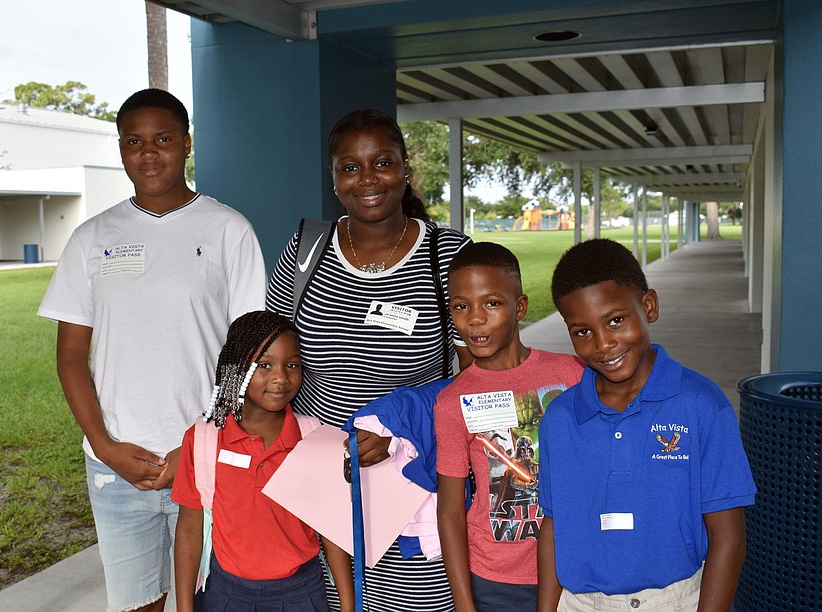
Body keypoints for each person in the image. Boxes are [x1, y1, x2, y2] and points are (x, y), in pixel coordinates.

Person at [37, 88, 266, 612]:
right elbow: (72, 354)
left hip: (208, 457)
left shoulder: (228, 228)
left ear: (186, 143)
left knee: (213, 599)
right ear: (120, 149)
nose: (148, 153)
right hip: (117, 464)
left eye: (163, 139)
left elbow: (247, 350)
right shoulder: (92, 237)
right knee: (138, 604)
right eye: (133, 141)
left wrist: (202, 443)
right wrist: (105, 444)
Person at [266, 108, 471, 611]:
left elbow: (481, 380)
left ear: (405, 169)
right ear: (333, 177)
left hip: (412, 483)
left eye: (382, 162)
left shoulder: (449, 256)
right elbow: (270, 352)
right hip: (317, 487)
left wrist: (399, 431)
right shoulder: (306, 249)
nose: (367, 179)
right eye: (349, 167)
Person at [538, 238, 756, 612]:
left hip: (676, 600)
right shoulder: (559, 419)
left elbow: (728, 536)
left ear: (649, 306)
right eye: (582, 331)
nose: (603, 343)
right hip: (579, 602)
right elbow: (553, 528)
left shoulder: (702, 405)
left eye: (615, 320)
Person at [434, 242, 585, 611]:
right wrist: (464, 604)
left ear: (520, 307)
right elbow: (451, 511)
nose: (474, 319)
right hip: (496, 581)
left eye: (491, 303)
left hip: (574, 564)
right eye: (460, 306)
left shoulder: (572, 374)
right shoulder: (452, 401)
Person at [172, 311, 351, 612]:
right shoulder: (203, 439)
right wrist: (184, 607)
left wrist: (348, 605)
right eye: (264, 365)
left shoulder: (314, 439)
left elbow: (331, 532)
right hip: (226, 594)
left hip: (301, 593)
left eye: (292, 365)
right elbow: (189, 530)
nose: (281, 377)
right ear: (235, 368)